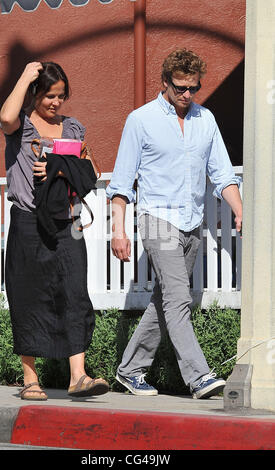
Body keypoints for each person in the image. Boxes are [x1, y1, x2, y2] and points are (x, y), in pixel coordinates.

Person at [106, 48, 242, 399]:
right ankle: (199, 377)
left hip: (191, 223)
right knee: (179, 297)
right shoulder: (141, 120)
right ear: (164, 82)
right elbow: (121, 183)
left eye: (193, 88)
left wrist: (240, 210)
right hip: (157, 220)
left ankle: (130, 370)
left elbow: (223, 174)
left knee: (164, 299)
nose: (186, 95)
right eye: (180, 87)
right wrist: (118, 229)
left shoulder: (205, 119)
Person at [0, 61, 109, 400]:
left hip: (69, 220)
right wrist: (24, 75)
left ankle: (79, 376)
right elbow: (4, 117)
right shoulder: (20, 127)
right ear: (35, 94)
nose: (55, 103)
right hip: (29, 220)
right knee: (28, 294)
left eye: (61, 96)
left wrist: (62, 169)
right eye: (49, 95)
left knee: (74, 291)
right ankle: (30, 379)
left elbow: (91, 169)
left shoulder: (73, 128)